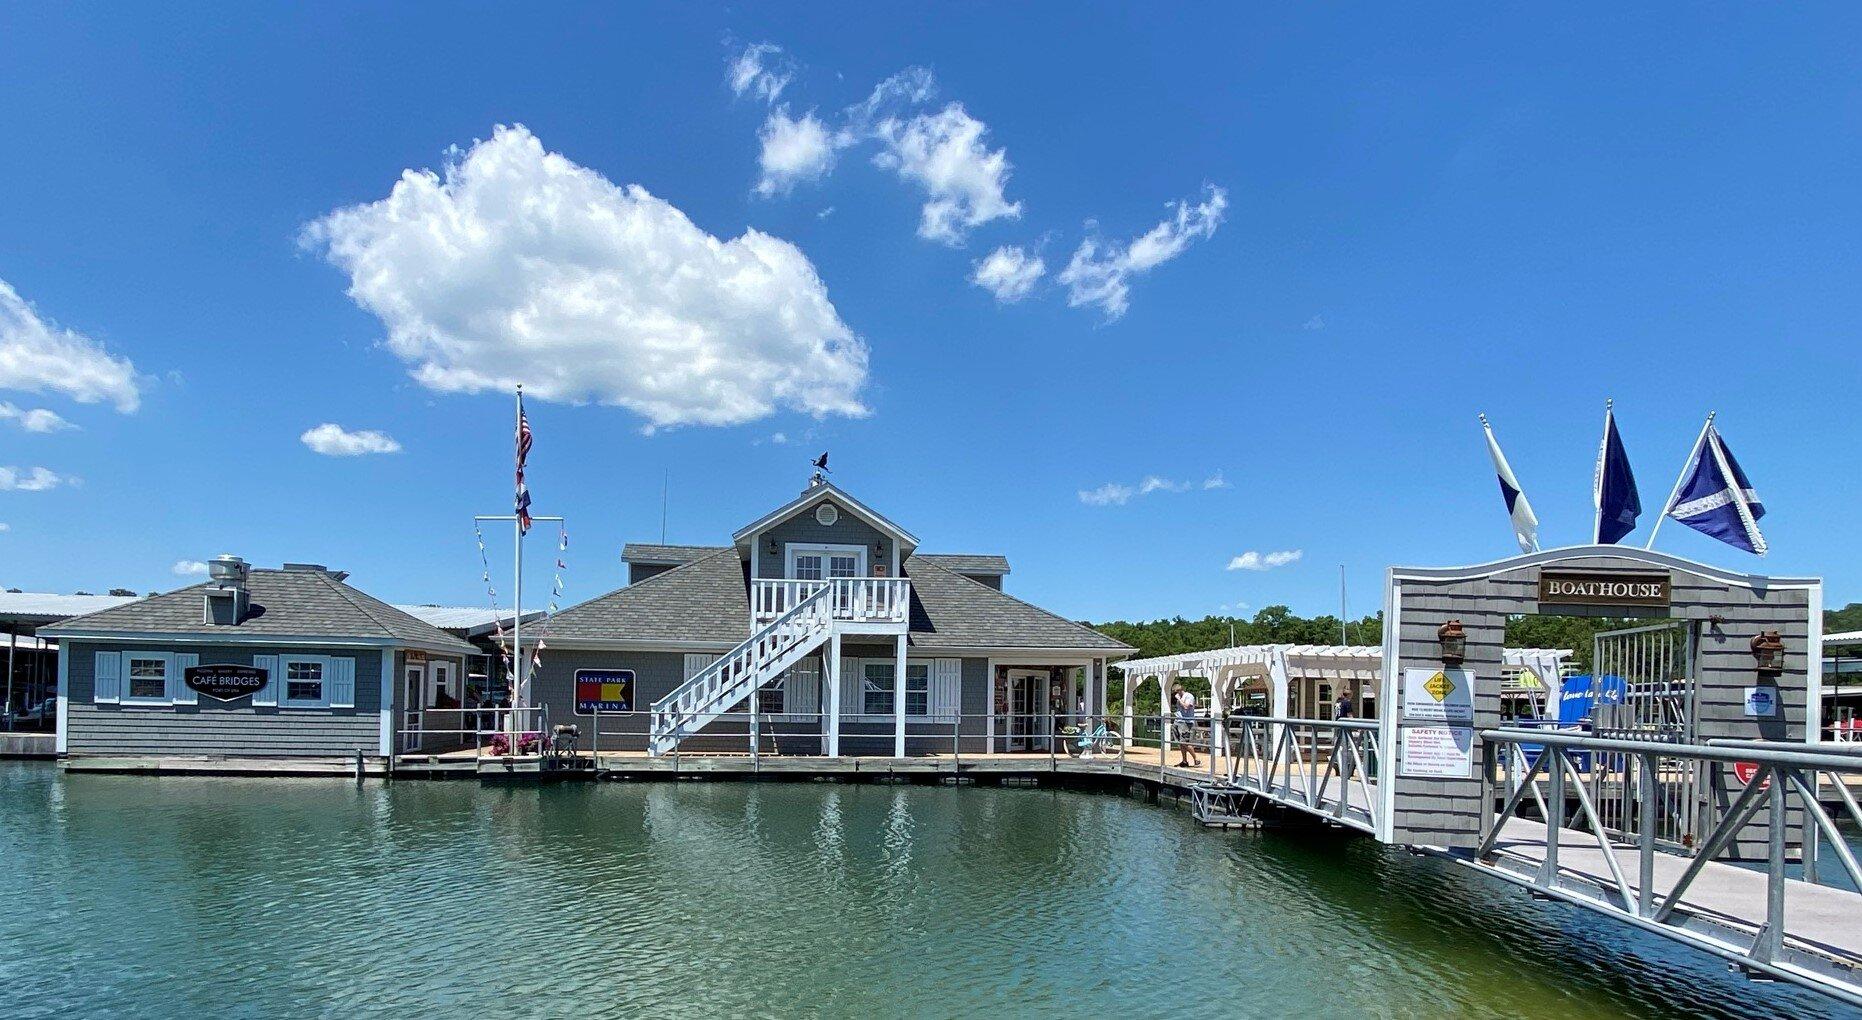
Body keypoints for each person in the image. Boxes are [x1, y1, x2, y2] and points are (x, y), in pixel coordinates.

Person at [1173, 684, 1200, 768]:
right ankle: (1184, 761)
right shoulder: (1179, 698)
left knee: (1185, 742)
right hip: (1178, 720)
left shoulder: (1189, 696)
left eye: (1177, 691)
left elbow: (1186, 707)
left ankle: (1196, 759)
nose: (1176, 694)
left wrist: (1179, 699)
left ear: (1180, 690)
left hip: (1186, 722)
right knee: (1180, 742)